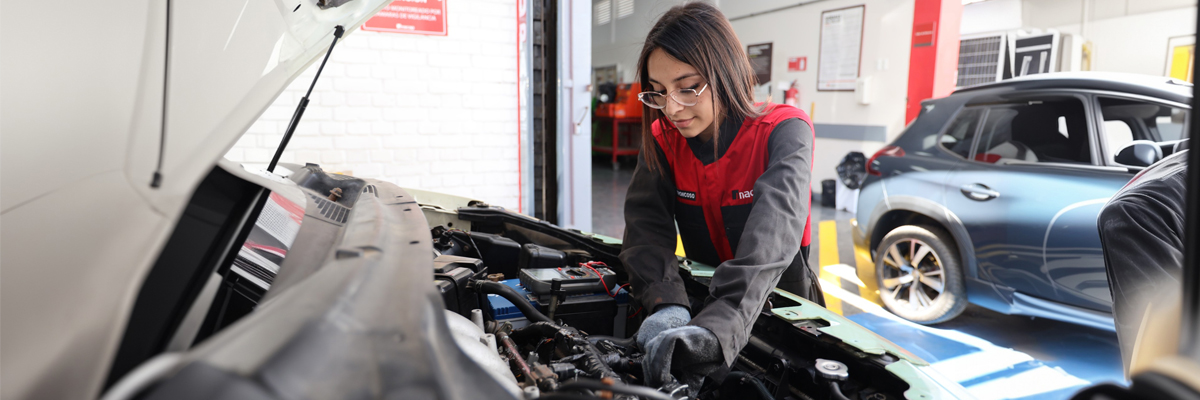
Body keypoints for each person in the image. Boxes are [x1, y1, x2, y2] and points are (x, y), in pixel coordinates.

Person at [617, 2, 823, 389]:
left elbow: (772, 237)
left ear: (724, 71)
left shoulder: (784, 130)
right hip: (699, 307)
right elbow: (645, 228)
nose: (672, 108)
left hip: (783, 308)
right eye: (658, 93)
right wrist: (667, 305)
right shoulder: (663, 139)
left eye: (687, 87)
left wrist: (719, 324)